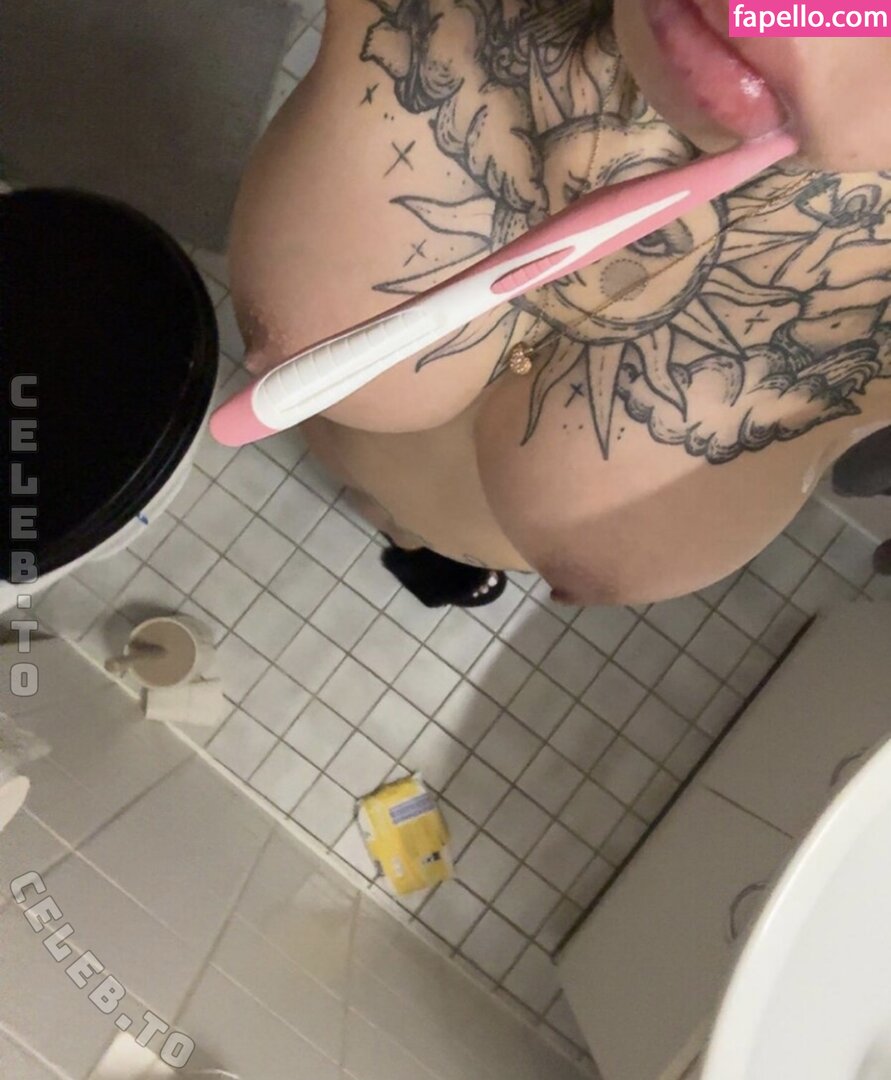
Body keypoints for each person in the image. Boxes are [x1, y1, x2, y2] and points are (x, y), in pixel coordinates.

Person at [228, 0, 891, 608]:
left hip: (449, 526)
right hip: (326, 436)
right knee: (367, 488)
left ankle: (405, 534)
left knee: (401, 524)